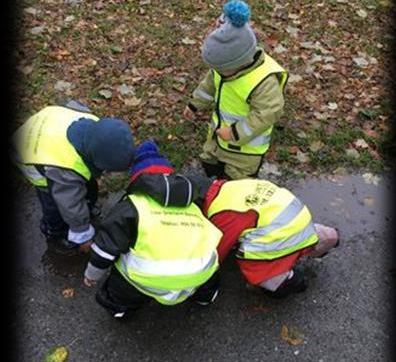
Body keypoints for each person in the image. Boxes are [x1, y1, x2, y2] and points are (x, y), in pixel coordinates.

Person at [132, 143, 340, 299]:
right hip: (294, 213)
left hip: (280, 234)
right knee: (298, 232)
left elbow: (217, 252)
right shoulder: (226, 188)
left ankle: (287, 280)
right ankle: (325, 236)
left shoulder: (221, 214)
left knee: (253, 266)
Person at [82, 140, 223, 319]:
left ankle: (120, 309)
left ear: (137, 180)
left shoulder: (130, 207)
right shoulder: (192, 205)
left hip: (149, 279)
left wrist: (92, 275)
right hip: (200, 274)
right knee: (206, 260)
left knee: (122, 275)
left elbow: (105, 250)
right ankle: (206, 297)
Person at [183, 0, 288, 180]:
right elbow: (208, 86)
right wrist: (194, 105)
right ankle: (211, 180)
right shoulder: (223, 71)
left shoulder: (263, 81)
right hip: (218, 138)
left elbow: (268, 112)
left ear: (240, 62)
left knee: (237, 183)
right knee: (209, 161)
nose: (217, 72)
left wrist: (235, 132)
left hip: (245, 151)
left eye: (221, 68)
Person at [10, 101, 135, 254]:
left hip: (49, 123)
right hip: (31, 155)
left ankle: (87, 205)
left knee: (83, 184)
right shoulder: (65, 169)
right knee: (53, 202)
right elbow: (70, 204)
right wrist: (82, 234)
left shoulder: (93, 123)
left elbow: (70, 104)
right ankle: (53, 232)